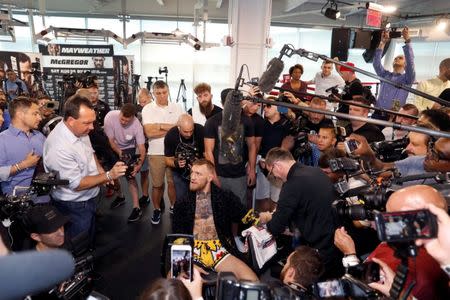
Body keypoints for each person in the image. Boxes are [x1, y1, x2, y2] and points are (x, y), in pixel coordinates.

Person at [334, 185, 449, 299]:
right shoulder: (442, 251)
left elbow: (358, 293)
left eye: (390, 216)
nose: (380, 220)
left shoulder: (403, 266)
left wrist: (350, 255)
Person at [43, 95, 127, 246]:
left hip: (90, 196)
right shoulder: (59, 147)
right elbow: (77, 184)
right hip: (74, 204)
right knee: (78, 242)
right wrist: (108, 175)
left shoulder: (81, 130)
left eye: (93, 122)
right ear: (70, 121)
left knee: (90, 235)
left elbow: (90, 153)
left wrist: (101, 171)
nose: (92, 127)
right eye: (87, 123)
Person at [259, 148, 342, 278]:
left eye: (271, 172)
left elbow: (276, 226)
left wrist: (266, 222)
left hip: (320, 248)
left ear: (277, 165)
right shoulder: (315, 171)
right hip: (336, 239)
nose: (274, 176)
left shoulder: (292, 184)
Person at [172, 159, 258, 281]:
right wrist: (188, 263)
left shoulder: (224, 197)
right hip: (192, 251)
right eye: (192, 172)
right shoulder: (182, 203)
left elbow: (245, 216)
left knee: (252, 280)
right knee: (173, 281)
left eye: (198, 174)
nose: (192, 177)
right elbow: (178, 237)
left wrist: (264, 219)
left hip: (219, 249)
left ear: (210, 177)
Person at [204, 88, 256, 206]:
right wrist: (213, 176)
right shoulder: (212, 122)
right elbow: (208, 152)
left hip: (239, 175)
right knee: (219, 209)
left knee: (238, 210)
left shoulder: (246, 120)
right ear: (223, 103)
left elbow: (252, 146)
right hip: (219, 174)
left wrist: (252, 170)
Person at [142, 80, 183, 225]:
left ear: (168, 92)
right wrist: (172, 128)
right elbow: (149, 133)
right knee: (157, 185)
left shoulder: (178, 107)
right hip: (156, 152)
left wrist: (158, 126)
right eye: (158, 93)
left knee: (173, 183)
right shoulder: (147, 109)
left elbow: (182, 129)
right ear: (153, 94)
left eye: (164, 92)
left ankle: (173, 206)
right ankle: (157, 209)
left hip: (173, 152)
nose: (161, 96)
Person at [104, 103, 147, 222]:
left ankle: (136, 207)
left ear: (133, 117)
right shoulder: (110, 117)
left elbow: (142, 148)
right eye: (122, 119)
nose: (123, 122)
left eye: (127, 121)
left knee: (130, 176)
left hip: (129, 148)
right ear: (120, 112)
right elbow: (111, 142)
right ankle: (120, 196)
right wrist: (120, 153)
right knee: (114, 174)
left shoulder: (137, 125)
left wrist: (139, 164)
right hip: (113, 146)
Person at [0, 97, 44, 200]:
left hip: (45, 200)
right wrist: (23, 165)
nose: (40, 118)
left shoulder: (40, 136)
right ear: (20, 114)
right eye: (35, 114)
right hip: (16, 204)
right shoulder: (2, 140)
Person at [256, 98, 292, 212]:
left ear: (278, 108)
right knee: (262, 198)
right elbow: (256, 145)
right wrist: (260, 159)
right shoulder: (260, 123)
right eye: (264, 106)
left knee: (276, 199)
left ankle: (272, 222)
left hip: (279, 167)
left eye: (268, 106)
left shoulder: (287, 124)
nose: (265, 108)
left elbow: (289, 144)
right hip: (262, 166)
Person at [373, 27, 415, 114]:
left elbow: (410, 63)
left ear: (405, 64)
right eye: (395, 58)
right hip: (377, 114)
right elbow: (376, 63)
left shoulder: (408, 78)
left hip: (393, 116)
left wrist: (407, 40)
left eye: (400, 58)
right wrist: (383, 42)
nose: (396, 59)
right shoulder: (385, 75)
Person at [164, 114, 204, 204]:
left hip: (200, 171)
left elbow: (207, 153)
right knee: (182, 198)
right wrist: (176, 163)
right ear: (179, 128)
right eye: (185, 132)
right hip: (180, 172)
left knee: (200, 199)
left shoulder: (201, 130)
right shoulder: (171, 135)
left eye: (191, 131)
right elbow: (167, 159)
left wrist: (200, 163)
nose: (189, 134)